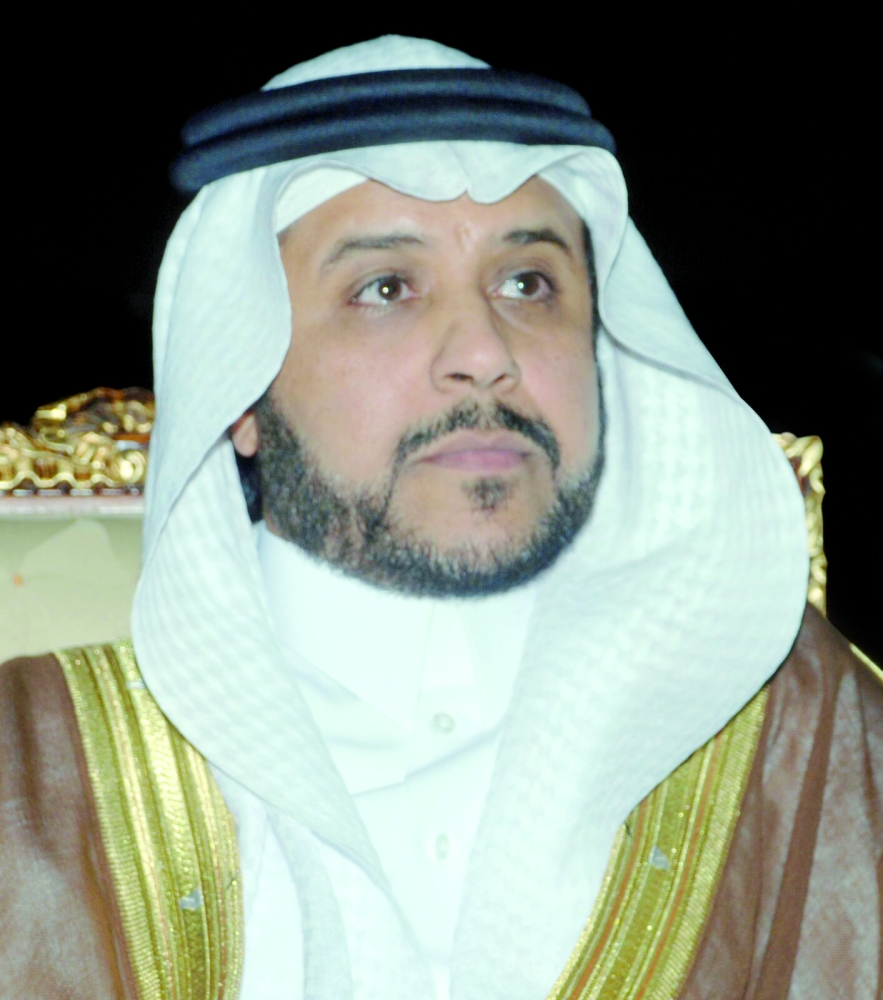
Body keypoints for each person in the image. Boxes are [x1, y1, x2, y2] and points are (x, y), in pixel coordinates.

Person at [1, 35, 880, 1000]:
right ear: (238, 392)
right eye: (385, 289)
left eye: (527, 283)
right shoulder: (27, 768)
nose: (484, 353)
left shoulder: (810, 736)